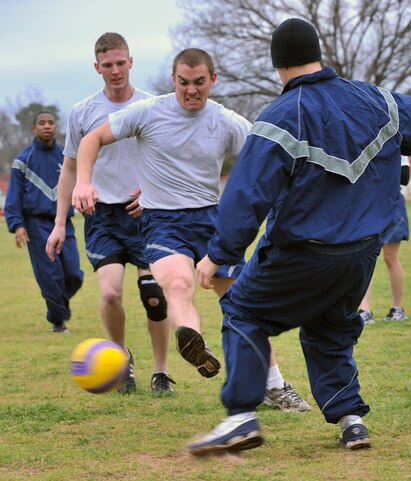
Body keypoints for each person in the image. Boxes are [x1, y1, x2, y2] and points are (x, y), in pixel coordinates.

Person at [190, 17, 411, 456]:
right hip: (362, 254)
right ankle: (351, 420)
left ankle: (240, 418)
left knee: (244, 313)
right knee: (330, 330)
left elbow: (247, 195)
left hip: (304, 251)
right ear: (317, 52)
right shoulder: (379, 100)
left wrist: (218, 255)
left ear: (277, 65)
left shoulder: (281, 116)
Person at [70, 47, 311, 412]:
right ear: (173, 80)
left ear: (212, 80)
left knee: (240, 305)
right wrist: (83, 183)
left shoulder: (226, 121)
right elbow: (91, 140)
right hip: (162, 222)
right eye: (184, 83)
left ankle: (273, 384)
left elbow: (269, 156)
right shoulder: (149, 112)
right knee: (177, 284)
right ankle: (193, 339)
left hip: (214, 221)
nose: (191, 91)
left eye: (199, 82)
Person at [45, 32, 172, 394]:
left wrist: (152, 191)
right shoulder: (83, 112)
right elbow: (69, 170)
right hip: (102, 216)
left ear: (131, 62)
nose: (115, 71)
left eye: (121, 63)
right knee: (111, 295)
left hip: (146, 215)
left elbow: (167, 160)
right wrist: (58, 224)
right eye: (107, 65)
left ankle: (161, 371)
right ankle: (120, 360)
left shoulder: (153, 105)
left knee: (153, 294)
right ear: (96, 67)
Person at [5, 111, 83, 333]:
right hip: (36, 225)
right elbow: (14, 196)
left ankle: (56, 307)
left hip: (64, 224)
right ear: (34, 128)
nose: (47, 126)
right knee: (51, 275)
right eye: (42, 123)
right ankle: (59, 321)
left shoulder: (66, 155)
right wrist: (17, 224)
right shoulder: (23, 160)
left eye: (51, 122)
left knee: (74, 275)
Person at [359, 156, 411, 324]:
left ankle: (397, 309)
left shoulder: (399, 146)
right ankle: (365, 310)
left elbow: (405, 177)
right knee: (364, 259)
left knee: (390, 258)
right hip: (367, 204)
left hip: (392, 203)